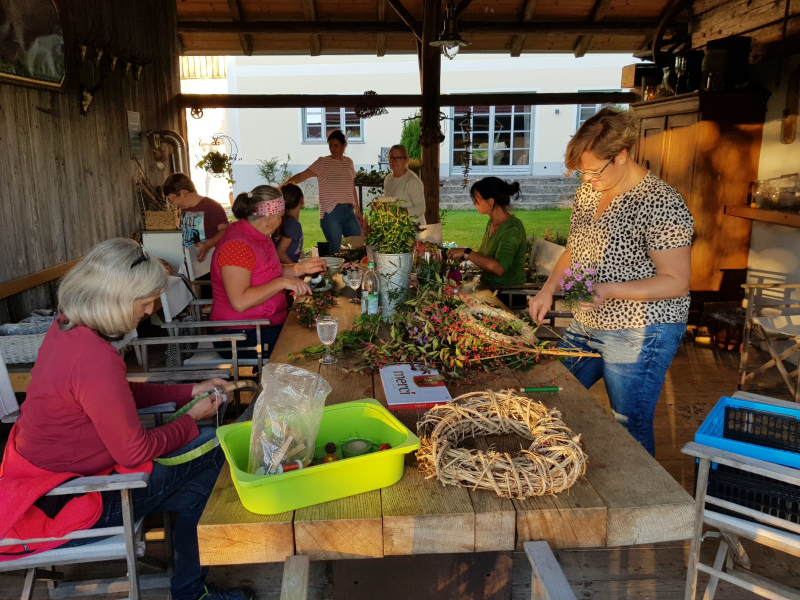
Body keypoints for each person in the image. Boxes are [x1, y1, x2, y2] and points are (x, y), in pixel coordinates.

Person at [0, 238, 252, 600]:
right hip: (69, 501)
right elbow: (134, 453)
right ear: (115, 298)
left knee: (202, 485)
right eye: (145, 301)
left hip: (42, 487)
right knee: (214, 443)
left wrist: (188, 392)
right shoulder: (93, 357)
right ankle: (191, 589)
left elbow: (114, 395)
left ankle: (191, 591)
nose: (150, 310)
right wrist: (192, 418)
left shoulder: (68, 328)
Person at [527, 107, 693, 456]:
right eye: (582, 172)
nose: (587, 179)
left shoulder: (661, 202)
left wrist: (610, 289)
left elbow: (676, 282)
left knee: (629, 423)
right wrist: (547, 290)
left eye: (592, 171)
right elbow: (574, 248)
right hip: (588, 321)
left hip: (642, 331)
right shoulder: (589, 192)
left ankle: (642, 490)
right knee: (552, 394)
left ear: (621, 155)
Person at [210, 185, 325, 358]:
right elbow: (240, 302)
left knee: (315, 330)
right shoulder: (236, 246)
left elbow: (269, 272)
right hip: (239, 334)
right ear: (267, 218)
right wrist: (282, 283)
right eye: (280, 216)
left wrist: (300, 268)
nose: (281, 221)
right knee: (309, 343)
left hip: (262, 325)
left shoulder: (259, 236)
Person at [285, 130, 364, 253]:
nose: (332, 149)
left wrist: (357, 209)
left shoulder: (349, 162)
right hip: (331, 213)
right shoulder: (322, 162)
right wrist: (283, 186)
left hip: (349, 212)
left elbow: (351, 186)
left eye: (336, 146)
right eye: (330, 146)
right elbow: (302, 176)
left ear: (344, 145)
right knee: (334, 252)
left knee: (358, 247)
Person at [446, 177, 527, 287]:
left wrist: (467, 253)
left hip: (505, 290)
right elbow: (486, 257)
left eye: (477, 200)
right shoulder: (492, 223)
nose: (474, 204)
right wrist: (465, 254)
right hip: (488, 285)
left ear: (490, 202)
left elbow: (499, 268)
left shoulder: (512, 228)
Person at [164, 173, 229, 262]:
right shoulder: (184, 209)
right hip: (191, 264)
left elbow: (225, 231)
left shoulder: (212, 206)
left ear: (183, 193)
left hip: (211, 264)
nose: (175, 203)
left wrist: (208, 244)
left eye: (174, 199)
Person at [383, 144, 426, 226]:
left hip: (412, 228)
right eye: (391, 158)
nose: (394, 161)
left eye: (398, 158)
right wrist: (380, 205)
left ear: (406, 160)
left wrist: (399, 211)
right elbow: (391, 200)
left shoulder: (412, 181)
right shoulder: (388, 179)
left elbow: (421, 208)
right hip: (394, 228)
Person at [274, 183, 305, 264]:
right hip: (283, 269)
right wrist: (297, 269)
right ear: (302, 200)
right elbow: (280, 252)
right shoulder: (293, 225)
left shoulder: (284, 220)